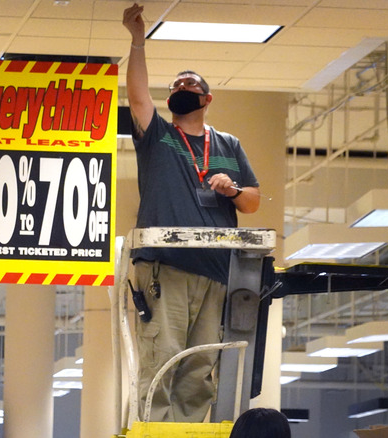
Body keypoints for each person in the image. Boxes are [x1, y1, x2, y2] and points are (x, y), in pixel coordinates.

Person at [122, 3, 261, 423]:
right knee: (162, 358)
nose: (181, 88)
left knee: (200, 369)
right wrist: (137, 39)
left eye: (190, 85)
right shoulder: (158, 135)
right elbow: (136, 95)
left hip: (216, 273)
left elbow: (252, 201)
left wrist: (232, 189)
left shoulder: (228, 145)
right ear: (170, 99)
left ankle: (187, 434)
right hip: (167, 267)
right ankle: (153, 432)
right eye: (176, 85)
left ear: (206, 98)